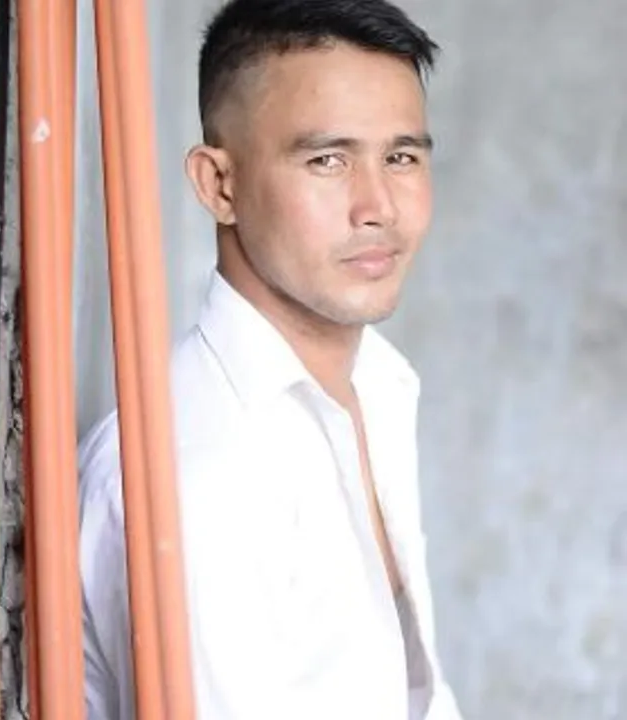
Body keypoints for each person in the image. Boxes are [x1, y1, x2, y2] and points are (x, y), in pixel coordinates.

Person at [79, 0, 463, 718]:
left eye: (401, 157)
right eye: (327, 160)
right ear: (218, 185)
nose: (378, 206)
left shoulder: (378, 385)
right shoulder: (197, 469)